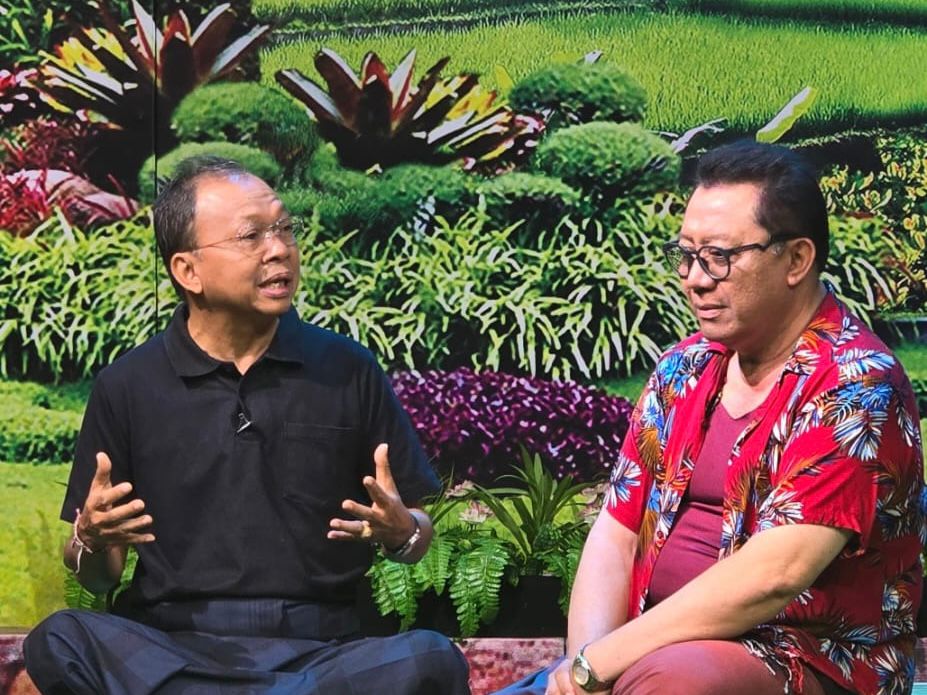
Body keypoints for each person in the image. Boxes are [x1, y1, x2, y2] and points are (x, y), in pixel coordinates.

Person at [24, 156, 470, 694]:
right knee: (59, 639)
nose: (279, 249)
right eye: (250, 236)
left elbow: (418, 532)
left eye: (283, 228)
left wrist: (405, 533)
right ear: (188, 270)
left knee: (431, 659)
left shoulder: (347, 371)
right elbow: (99, 576)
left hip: (321, 653)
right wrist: (88, 538)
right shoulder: (128, 385)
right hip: (174, 647)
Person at [497, 140, 925, 695]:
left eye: (719, 256)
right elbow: (616, 534)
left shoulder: (856, 384)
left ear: (796, 259)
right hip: (641, 658)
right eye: (687, 255)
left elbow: (775, 577)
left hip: (798, 662)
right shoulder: (685, 367)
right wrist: (584, 667)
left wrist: (601, 664)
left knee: (677, 681)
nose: (696, 279)